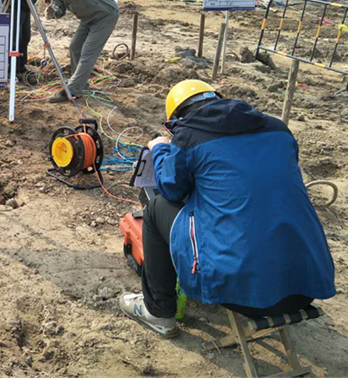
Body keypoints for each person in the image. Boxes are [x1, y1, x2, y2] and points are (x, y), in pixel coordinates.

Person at [119, 80, 336, 337]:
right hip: (306, 287)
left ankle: (158, 311)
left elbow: (171, 188)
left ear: (178, 119)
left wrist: (160, 149)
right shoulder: (278, 129)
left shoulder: (189, 137)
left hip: (243, 295)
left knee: (156, 208)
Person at [21, 0, 119, 103]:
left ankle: (72, 90)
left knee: (88, 52)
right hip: (88, 18)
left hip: (105, 15)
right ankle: (81, 84)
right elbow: (60, 4)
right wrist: (55, 11)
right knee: (75, 47)